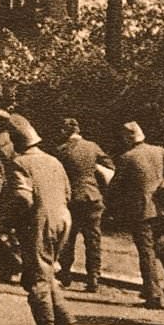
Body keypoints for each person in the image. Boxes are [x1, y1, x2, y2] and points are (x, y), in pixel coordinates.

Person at [1, 114, 74, 325]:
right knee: (48, 268)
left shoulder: (20, 163)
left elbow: (22, 198)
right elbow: (67, 192)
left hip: (39, 222)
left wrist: (6, 220)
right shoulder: (53, 160)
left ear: (15, 141)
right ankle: (62, 316)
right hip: (63, 219)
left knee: (36, 276)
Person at [110, 121, 164, 308]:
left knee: (146, 252)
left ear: (127, 138)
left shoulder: (126, 157)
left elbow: (115, 186)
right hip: (162, 207)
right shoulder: (159, 151)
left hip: (140, 211)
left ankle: (153, 294)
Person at [54, 117, 113, 293]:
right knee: (93, 240)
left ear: (66, 132)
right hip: (93, 198)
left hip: (72, 199)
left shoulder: (61, 150)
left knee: (68, 239)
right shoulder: (93, 147)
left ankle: (65, 273)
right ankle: (93, 277)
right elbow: (110, 167)